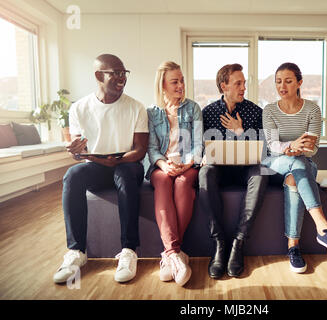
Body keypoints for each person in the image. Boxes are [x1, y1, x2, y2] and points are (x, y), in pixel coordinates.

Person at [53, 54, 149, 284]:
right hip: (96, 166)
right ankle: (77, 252)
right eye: (115, 72)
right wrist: (75, 151)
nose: (121, 78)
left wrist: (118, 160)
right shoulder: (79, 108)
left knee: (124, 174)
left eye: (124, 73)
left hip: (127, 165)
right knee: (72, 175)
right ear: (98, 75)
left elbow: (140, 150)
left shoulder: (136, 107)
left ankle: (128, 250)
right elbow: (80, 150)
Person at [262, 62, 327, 273]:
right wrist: (292, 146)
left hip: (302, 164)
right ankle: (323, 227)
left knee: (295, 174)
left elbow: (312, 148)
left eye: (288, 81)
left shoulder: (312, 109)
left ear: (299, 83)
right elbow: (272, 146)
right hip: (273, 164)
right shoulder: (269, 110)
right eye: (278, 82)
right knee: (297, 162)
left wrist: (297, 149)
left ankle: (293, 249)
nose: (282, 86)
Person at [199, 63, 268, 279]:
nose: (243, 88)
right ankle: (219, 242)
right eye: (238, 83)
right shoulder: (208, 112)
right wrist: (203, 154)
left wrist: (240, 132)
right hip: (220, 171)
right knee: (204, 173)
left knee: (262, 171)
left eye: (244, 83)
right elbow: (201, 147)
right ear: (224, 86)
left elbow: (264, 150)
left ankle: (239, 241)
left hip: (245, 170)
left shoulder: (255, 112)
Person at [146, 61, 203, 286]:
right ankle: (175, 254)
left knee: (181, 185)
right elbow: (151, 148)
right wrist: (162, 164)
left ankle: (170, 255)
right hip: (161, 166)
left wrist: (188, 164)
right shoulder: (151, 112)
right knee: (162, 182)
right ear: (163, 85)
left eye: (182, 81)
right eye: (175, 81)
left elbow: (199, 145)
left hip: (187, 166)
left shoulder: (193, 108)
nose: (181, 85)